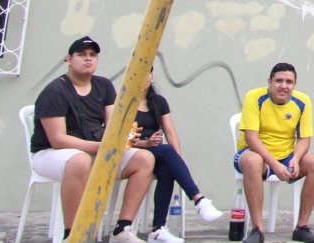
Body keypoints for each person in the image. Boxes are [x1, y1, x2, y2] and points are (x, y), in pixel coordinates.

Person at [29, 36, 156, 243]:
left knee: (144, 159)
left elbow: (113, 126)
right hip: (50, 155)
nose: (88, 59)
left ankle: (122, 229)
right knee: (80, 161)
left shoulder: (104, 86)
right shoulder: (55, 91)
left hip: (94, 151)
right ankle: (73, 235)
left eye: (92, 55)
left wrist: (126, 136)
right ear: (69, 59)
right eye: (81, 55)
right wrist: (104, 146)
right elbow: (58, 140)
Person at [234, 63, 314, 243]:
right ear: (269, 82)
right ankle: (257, 230)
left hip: (286, 154)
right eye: (279, 81)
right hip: (254, 154)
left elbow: (304, 139)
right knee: (253, 161)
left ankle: (301, 227)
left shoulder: (303, 100)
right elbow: (252, 138)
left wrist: (296, 160)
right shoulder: (254, 97)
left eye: (289, 82)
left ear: (295, 84)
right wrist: (275, 164)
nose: (284, 86)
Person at [129, 68, 223, 243]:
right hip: (131, 153)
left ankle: (157, 230)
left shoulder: (158, 102)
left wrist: (176, 161)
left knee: (167, 168)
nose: (145, 77)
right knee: (166, 150)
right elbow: (117, 138)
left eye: (148, 72)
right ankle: (199, 199)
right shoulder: (122, 102)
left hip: (155, 153)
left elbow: (170, 133)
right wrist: (143, 143)